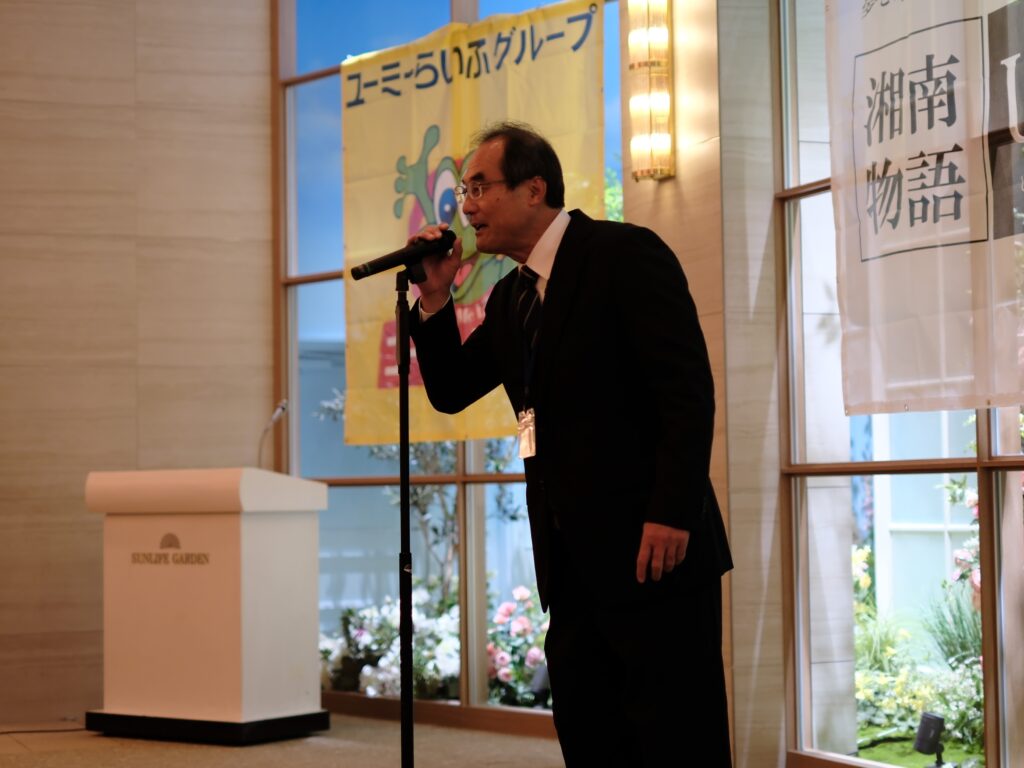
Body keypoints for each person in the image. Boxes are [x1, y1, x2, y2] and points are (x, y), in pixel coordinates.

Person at [409, 122, 733, 767]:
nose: (467, 206)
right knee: (591, 735)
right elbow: (451, 390)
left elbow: (686, 393)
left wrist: (672, 512)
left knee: (676, 737)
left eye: (480, 187)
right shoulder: (510, 297)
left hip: (654, 550)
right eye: (465, 190)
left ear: (534, 189)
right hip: (569, 560)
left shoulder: (623, 254)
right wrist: (435, 295)